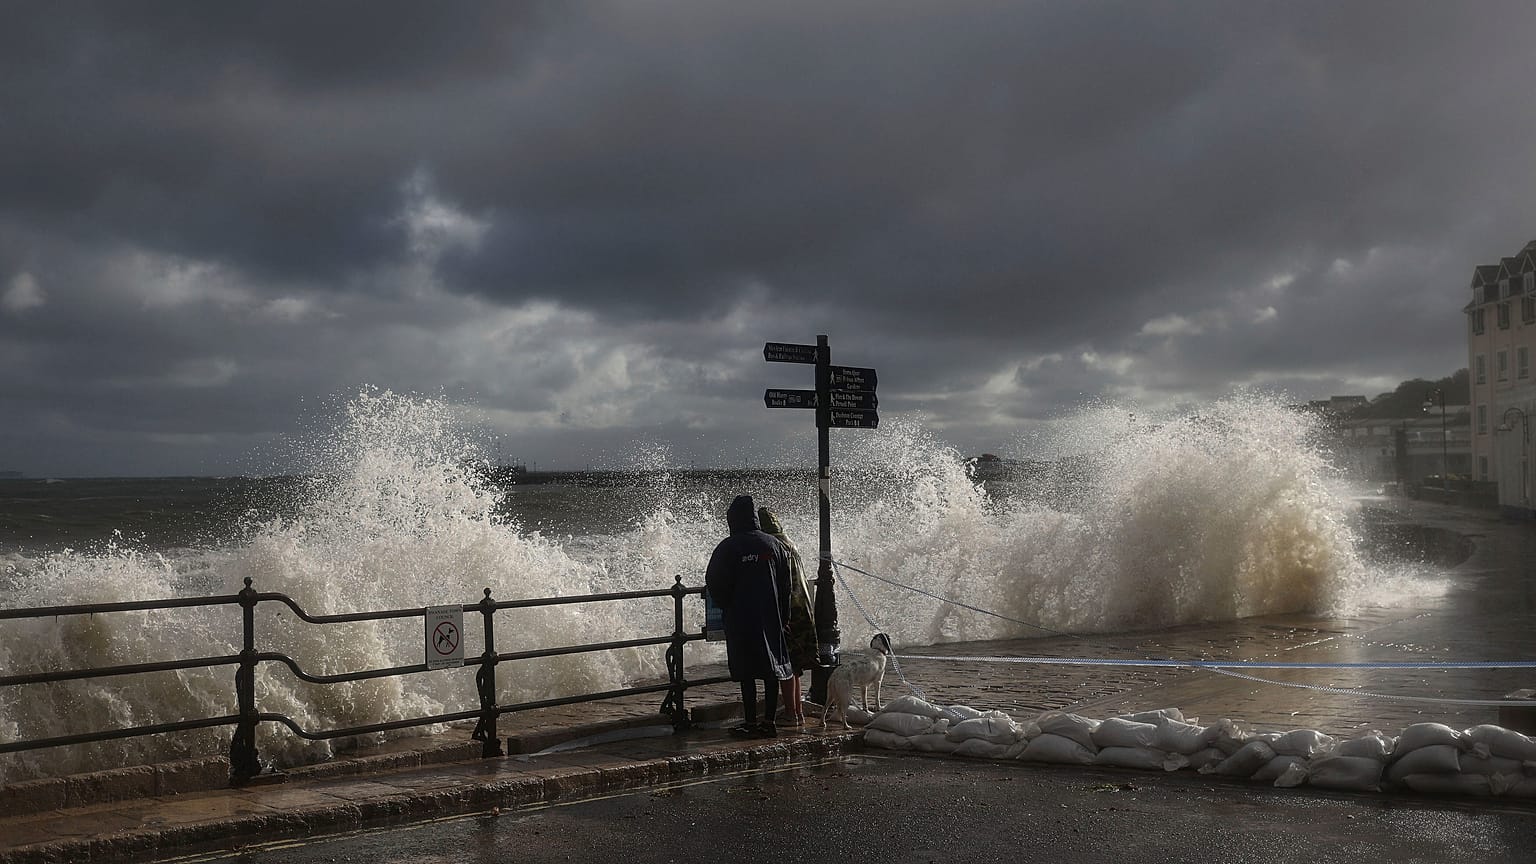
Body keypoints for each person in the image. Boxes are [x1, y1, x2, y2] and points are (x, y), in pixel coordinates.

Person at [704, 494, 793, 737]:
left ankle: (751, 722)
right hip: (771, 617)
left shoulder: (727, 547)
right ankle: (770, 722)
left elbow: (714, 582)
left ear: (732, 519)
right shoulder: (775, 545)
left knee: (747, 672)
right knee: (772, 669)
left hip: (740, 618)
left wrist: (726, 606)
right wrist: (784, 617)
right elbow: (787, 586)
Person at [757, 506, 815, 728]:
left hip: (789, 611)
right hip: (803, 608)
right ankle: (797, 711)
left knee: (785, 664)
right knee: (794, 666)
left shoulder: (773, 546)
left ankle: (791, 713)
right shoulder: (790, 542)